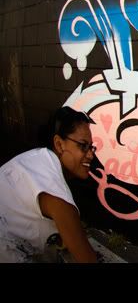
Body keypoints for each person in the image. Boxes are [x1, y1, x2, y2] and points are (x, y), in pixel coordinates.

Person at [0, 106, 98, 262]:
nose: (91, 155)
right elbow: (87, 259)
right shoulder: (58, 197)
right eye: (83, 145)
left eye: (91, 147)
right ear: (59, 144)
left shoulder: (36, 158)